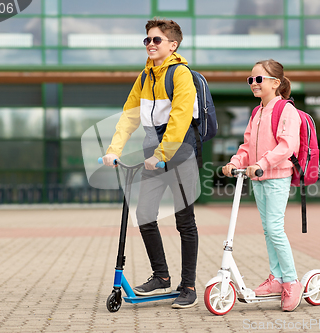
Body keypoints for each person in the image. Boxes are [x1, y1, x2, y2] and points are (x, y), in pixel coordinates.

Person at [102, 18, 199, 309]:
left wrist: (162, 155)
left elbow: (181, 117)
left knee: (185, 222)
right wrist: (114, 149)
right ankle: (161, 276)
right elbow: (129, 116)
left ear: (173, 45)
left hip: (180, 153)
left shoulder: (181, 74)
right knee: (144, 215)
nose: (150, 45)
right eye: (147, 40)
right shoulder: (144, 77)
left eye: (156, 40)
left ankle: (189, 286)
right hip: (151, 154)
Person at [222, 59, 303, 312]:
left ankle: (291, 281)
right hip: (258, 178)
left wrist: (263, 163)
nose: (254, 84)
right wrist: (235, 161)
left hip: (277, 176)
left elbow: (287, 145)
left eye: (259, 79)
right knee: (268, 230)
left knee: (275, 229)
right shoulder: (257, 112)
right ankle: (276, 279)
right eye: (251, 80)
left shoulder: (285, 110)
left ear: (275, 83)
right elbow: (247, 146)